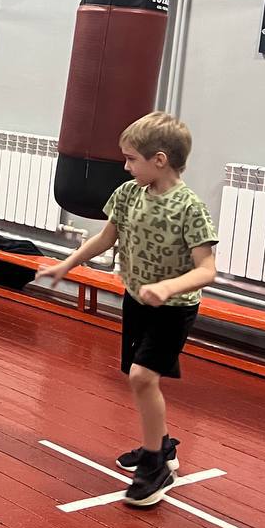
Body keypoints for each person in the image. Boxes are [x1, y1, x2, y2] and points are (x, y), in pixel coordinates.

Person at [38, 112, 217, 507]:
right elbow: (106, 238)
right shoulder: (127, 194)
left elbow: (207, 270)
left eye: (131, 158)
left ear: (159, 160)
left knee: (141, 378)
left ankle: (155, 468)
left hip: (173, 308)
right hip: (136, 300)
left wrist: (167, 287)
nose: (125, 166)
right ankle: (162, 445)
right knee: (140, 380)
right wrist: (67, 264)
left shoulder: (189, 208)